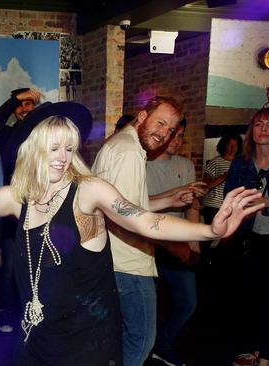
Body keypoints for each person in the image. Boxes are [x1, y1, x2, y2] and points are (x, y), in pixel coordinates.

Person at [0, 109, 262, 366]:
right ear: (33, 148)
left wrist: (209, 231)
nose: (62, 157)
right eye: (54, 148)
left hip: (85, 341)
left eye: (69, 148)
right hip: (36, 334)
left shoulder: (88, 191)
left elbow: (145, 222)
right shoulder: (17, 197)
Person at [91, 96, 204, 366]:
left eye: (171, 129)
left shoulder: (122, 144)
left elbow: (124, 206)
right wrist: (174, 244)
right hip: (129, 265)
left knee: (115, 341)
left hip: (113, 261)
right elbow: (128, 219)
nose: (164, 134)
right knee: (141, 342)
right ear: (142, 117)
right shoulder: (129, 152)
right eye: (160, 123)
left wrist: (169, 199)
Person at [224, 106, 269, 366]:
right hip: (249, 239)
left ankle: (268, 356)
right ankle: (257, 348)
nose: (263, 130)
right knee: (251, 298)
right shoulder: (241, 163)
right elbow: (230, 198)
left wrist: (265, 201)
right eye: (258, 124)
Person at [146, 120, 201, 366]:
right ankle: (144, 350)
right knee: (148, 306)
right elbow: (135, 209)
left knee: (188, 302)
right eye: (173, 135)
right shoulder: (141, 165)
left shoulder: (186, 165)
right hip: (147, 245)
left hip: (178, 245)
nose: (177, 141)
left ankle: (162, 344)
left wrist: (194, 242)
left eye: (181, 136)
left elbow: (192, 206)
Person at [0, 87, 42, 333]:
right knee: (10, 267)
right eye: (21, 105)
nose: (24, 108)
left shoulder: (42, 135)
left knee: (40, 266)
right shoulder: (8, 135)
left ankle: (34, 313)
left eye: (29, 104)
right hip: (13, 211)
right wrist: (13, 100)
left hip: (41, 209)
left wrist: (38, 106)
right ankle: (7, 314)